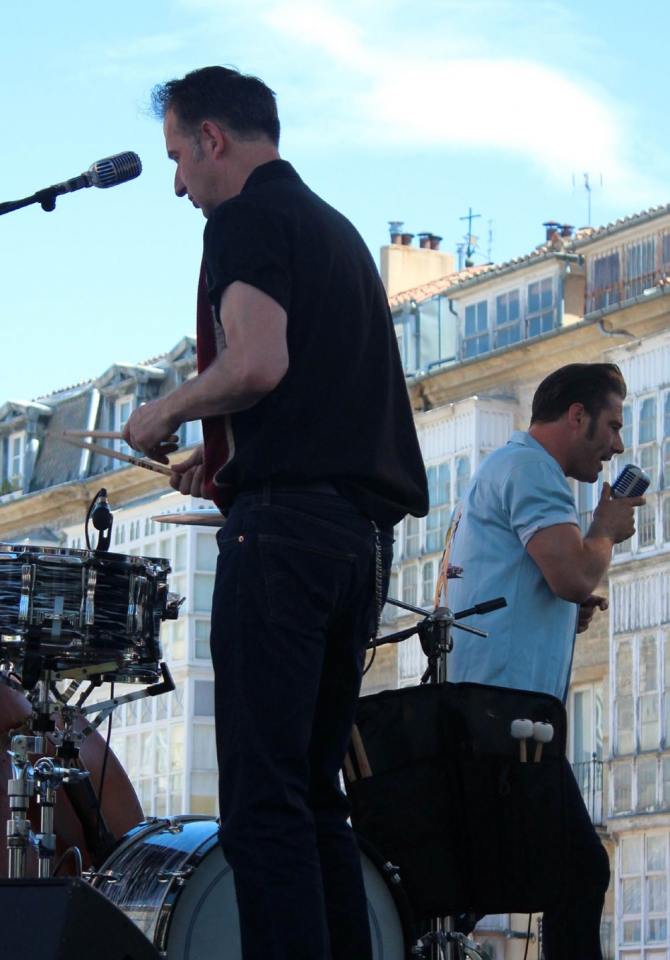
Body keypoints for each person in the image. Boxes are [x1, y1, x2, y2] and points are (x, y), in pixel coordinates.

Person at [123, 66, 428, 960]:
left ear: (214, 138)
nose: (179, 183)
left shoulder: (247, 217)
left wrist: (165, 409)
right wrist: (223, 459)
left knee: (262, 805)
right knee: (310, 796)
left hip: (287, 542)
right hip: (356, 546)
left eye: (179, 156)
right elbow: (310, 397)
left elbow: (256, 363)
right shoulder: (331, 229)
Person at [435, 362, 644, 959]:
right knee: (575, 870)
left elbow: (529, 583)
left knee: (542, 871)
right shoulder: (533, 469)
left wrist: (561, 612)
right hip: (507, 719)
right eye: (610, 425)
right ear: (576, 417)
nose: (618, 445)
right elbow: (573, 573)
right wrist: (603, 529)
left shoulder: (505, 466)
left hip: (500, 715)